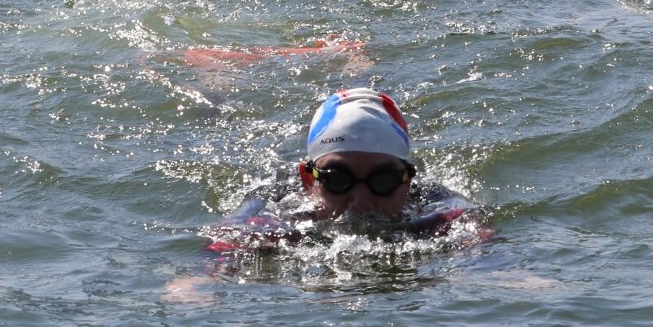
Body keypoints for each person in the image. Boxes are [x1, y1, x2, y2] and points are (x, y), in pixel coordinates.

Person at [198, 88, 476, 258]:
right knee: (221, 116)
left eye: (382, 181)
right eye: (338, 179)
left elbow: (481, 243)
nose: (361, 202)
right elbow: (227, 238)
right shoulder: (272, 203)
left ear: (406, 181)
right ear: (309, 180)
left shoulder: (438, 206)